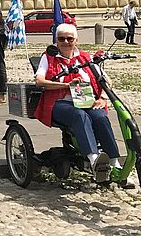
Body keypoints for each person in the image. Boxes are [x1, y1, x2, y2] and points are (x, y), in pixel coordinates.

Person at [34, 23, 120, 183]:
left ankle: (114, 161)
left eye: (70, 38)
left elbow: (106, 80)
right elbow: (39, 81)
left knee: (100, 117)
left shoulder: (85, 58)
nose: (66, 42)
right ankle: (94, 159)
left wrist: (102, 98)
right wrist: (66, 85)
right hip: (59, 102)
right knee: (79, 115)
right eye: (61, 38)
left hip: (85, 99)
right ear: (56, 41)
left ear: (76, 40)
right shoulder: (49, 57)